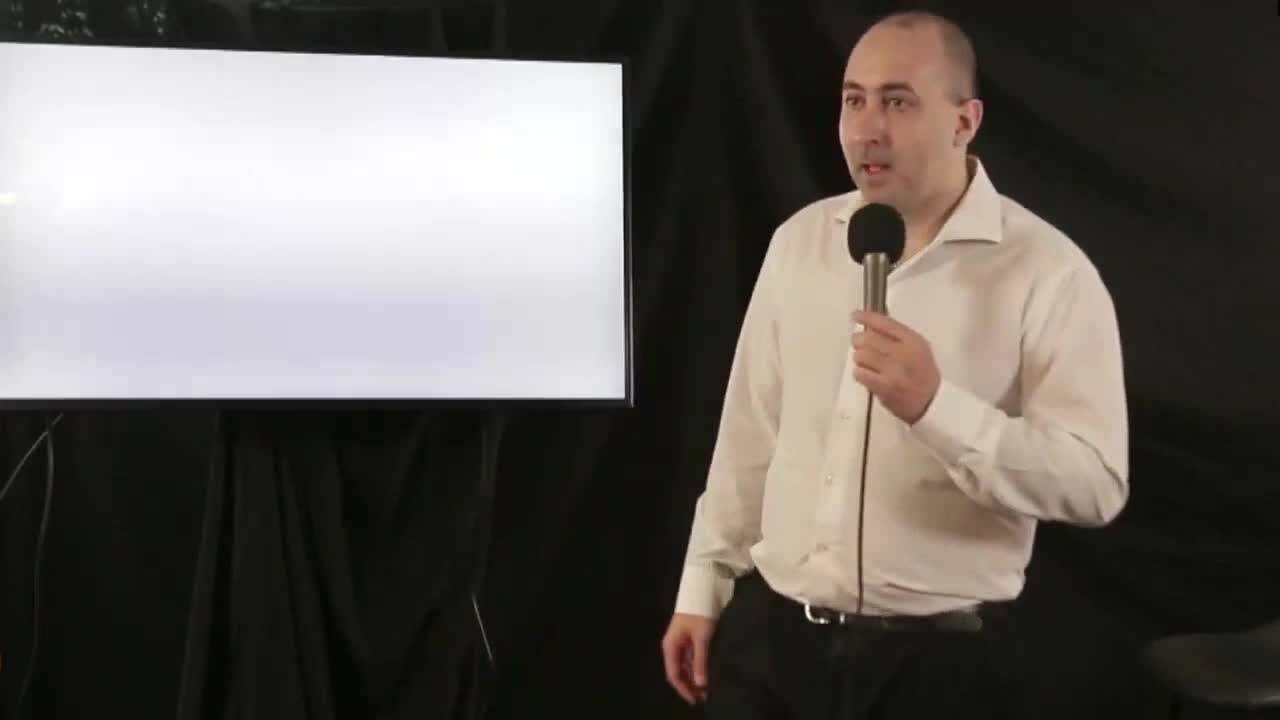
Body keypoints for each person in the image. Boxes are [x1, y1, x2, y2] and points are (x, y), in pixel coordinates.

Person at [660, 10, 1129, 720]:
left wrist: (938, 409)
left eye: (898, 102)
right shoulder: (800, 243)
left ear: (965, 121)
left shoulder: (1047, 272)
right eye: (854, 100)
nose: (866, 129)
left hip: (940, 668)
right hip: (775, 651)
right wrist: (703, 584)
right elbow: (750, 436)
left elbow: (1095, 485)